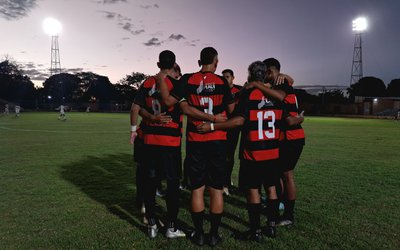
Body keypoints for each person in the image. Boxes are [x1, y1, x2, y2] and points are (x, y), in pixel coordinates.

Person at [197, 61, 287, 242]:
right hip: (273, 151)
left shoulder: (249, 93)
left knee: (253, 190)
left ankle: (255, 231)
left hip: (253, 152)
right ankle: (271, 225)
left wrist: (213, 126)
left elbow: (238, 121)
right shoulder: (277, 95)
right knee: (271, 189)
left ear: (250, 74)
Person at [156, 47, 234, 247]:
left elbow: (167, 100)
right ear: (216, 61)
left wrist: (160, 78)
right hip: (217, 139)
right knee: (216, 189)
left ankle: (199, 234)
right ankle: (214, 235)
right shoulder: (222, 83)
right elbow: (232, 112)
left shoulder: (188, 79)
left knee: (197, 189)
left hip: (196, 140)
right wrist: (215, 118)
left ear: (199, 61)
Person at [263, 58, 305, 226]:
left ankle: (288, 215)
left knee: (287, 175)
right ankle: (279, 205)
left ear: (272, 72)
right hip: (286, 138)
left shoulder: (282, 86)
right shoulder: (282, 83)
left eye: (266, 71)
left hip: (291, 138)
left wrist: (298, 119)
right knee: (280, 174)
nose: (264, 75)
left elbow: (288, 120)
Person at [221, 69, 242, 196]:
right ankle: (221, 182)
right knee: (219, 155)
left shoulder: (239, 91)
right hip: (221, 126)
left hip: (233, 128)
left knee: (229, 156)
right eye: (223, 77)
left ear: (233, 77)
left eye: (227, 77)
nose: (225, 79)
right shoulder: (220, 90)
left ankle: (226, 181)